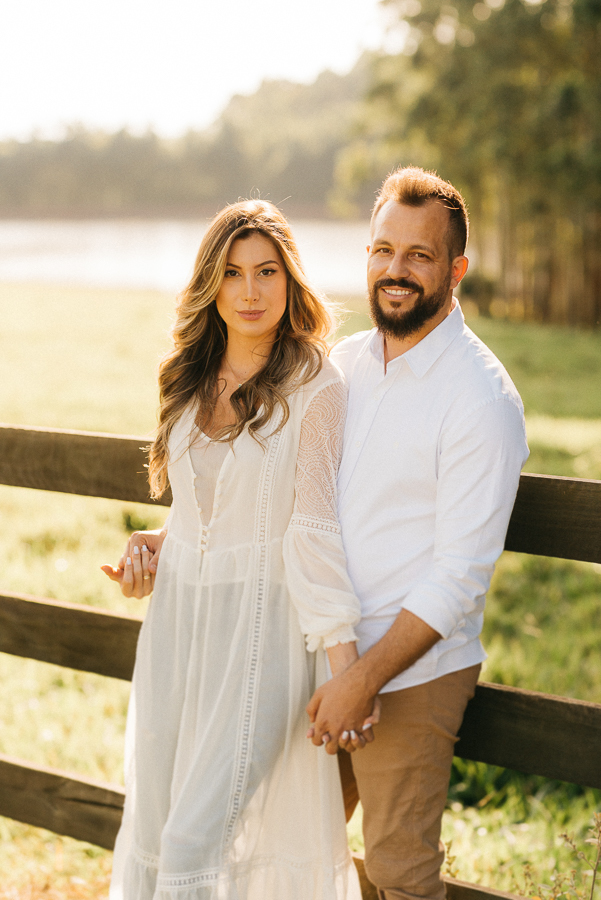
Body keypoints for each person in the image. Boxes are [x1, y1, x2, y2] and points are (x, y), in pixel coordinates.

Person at [101, 199, 374, 900]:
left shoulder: (317, 385)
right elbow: (207, 511)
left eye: (266, 272)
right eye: (230, 274)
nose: (249, 292)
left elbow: (311, 530)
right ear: (209, 286)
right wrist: (155, 546)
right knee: (161, 827)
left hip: (264, 635)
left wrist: (346, 672)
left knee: (198, 838)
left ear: (290, 282)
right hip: (179, 635)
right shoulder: (187, 381)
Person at [306, 167, 529, 900]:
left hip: (412, 676)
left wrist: (363, 678)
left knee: (399, 875)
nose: (393, 270)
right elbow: (299, 501)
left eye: (418, 255)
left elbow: (460, 574)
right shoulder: (343, 366)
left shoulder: (479, 397)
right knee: (292, 854)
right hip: (323, 654)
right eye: (381, 250)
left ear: (455, 270)